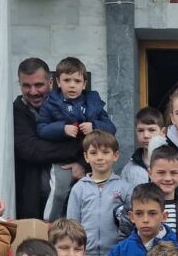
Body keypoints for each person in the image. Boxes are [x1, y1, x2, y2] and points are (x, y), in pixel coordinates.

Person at [36, 57, 117, 220]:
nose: (72, 85)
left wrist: (93, 126)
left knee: (92, 195)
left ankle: (82, 225)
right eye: (67, 80)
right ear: (58, 82)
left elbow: (111, 128)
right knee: (59, 192)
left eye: (77, 80)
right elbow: (41, 128)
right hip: (62, 161)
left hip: (89, 161)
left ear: (84, 84)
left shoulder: (93, 103)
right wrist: (62, 129)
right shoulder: (51, 103)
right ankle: (49, 222)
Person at [13, 57, 84, 220]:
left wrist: (83, 164)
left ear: (51, 82)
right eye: (26, 85)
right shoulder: (16, 112)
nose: (33, 91)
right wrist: (76, 148)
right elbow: (30, 150)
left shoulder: (74, 105)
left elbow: (96, 141)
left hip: (71, 201)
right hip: (31, 202)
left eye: (39, 85)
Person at [68, 130, 133, 256]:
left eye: (105, 152)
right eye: (94, 152)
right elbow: (72, 227)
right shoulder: (79, 188)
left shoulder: (125, 188)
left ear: (115, 155)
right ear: (86, 157)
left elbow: (131, 225)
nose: (100, 157)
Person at [97, 183, 178, 256]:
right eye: (139, 213)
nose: (145, 220)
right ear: (131, 216)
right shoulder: (118, 252)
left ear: (164, 216)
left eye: (152, 213)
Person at [148, 144, 178, 242]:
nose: (168, 178)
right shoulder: (138, 204)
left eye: (174, 173)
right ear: (150, 173)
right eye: (161, 173)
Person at [120, 106, 166, 186]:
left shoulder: (173, 162)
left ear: (163, 132)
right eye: (140, 130)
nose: (146, 135)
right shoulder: (129, 168)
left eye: (151, 130)